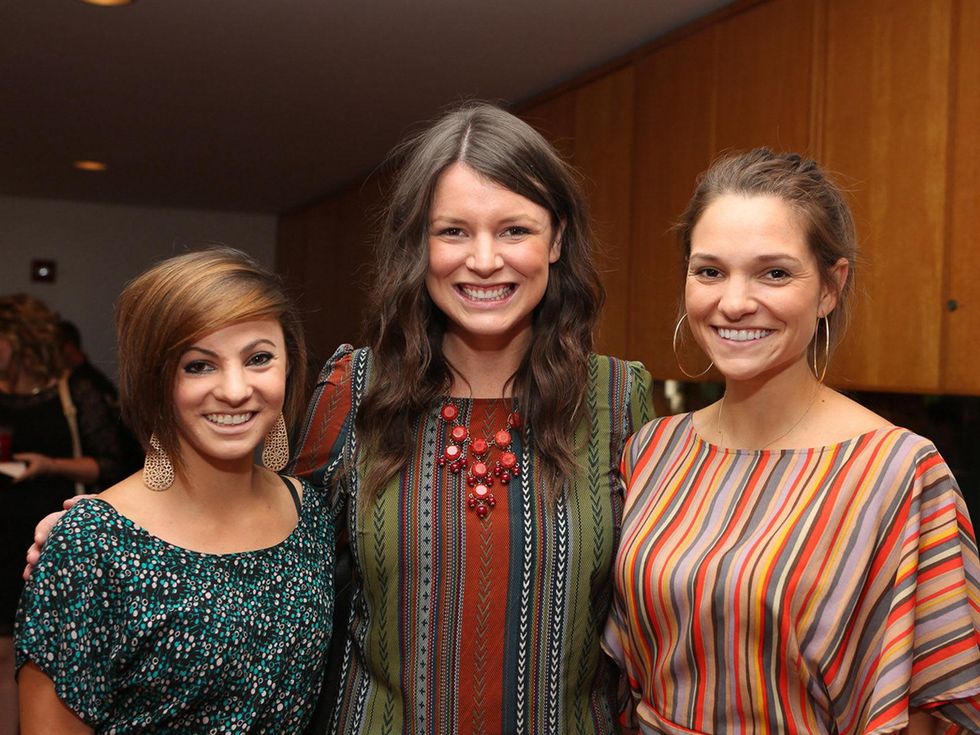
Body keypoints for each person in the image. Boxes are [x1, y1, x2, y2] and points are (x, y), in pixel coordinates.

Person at [290, 102, 652, 734]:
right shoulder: (354, 388)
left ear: (557, 238)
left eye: (514, 230)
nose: (484, 261)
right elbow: (256, 534)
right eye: (452, 231)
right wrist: (121, 521)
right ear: (418, 244)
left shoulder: (620, 399)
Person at [603, 149, 980, 733]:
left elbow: (933, 709)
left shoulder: (898, 473)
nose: (733, 302)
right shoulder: (653, 451)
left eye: (774, 272)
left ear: (831, 287)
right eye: (710, 271)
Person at [15, 249, 334, 733]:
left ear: (289, 365)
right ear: (154, 380)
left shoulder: (310, 512)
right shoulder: (92, 543)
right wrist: (77, 545)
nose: (234, 389)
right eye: (198, 366)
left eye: (259, 358)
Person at [0, 294, 132, 735]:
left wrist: (49, 465)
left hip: (46, 530)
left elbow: (109, 463)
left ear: (20, 340)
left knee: (38, 650)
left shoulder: (73, 391)